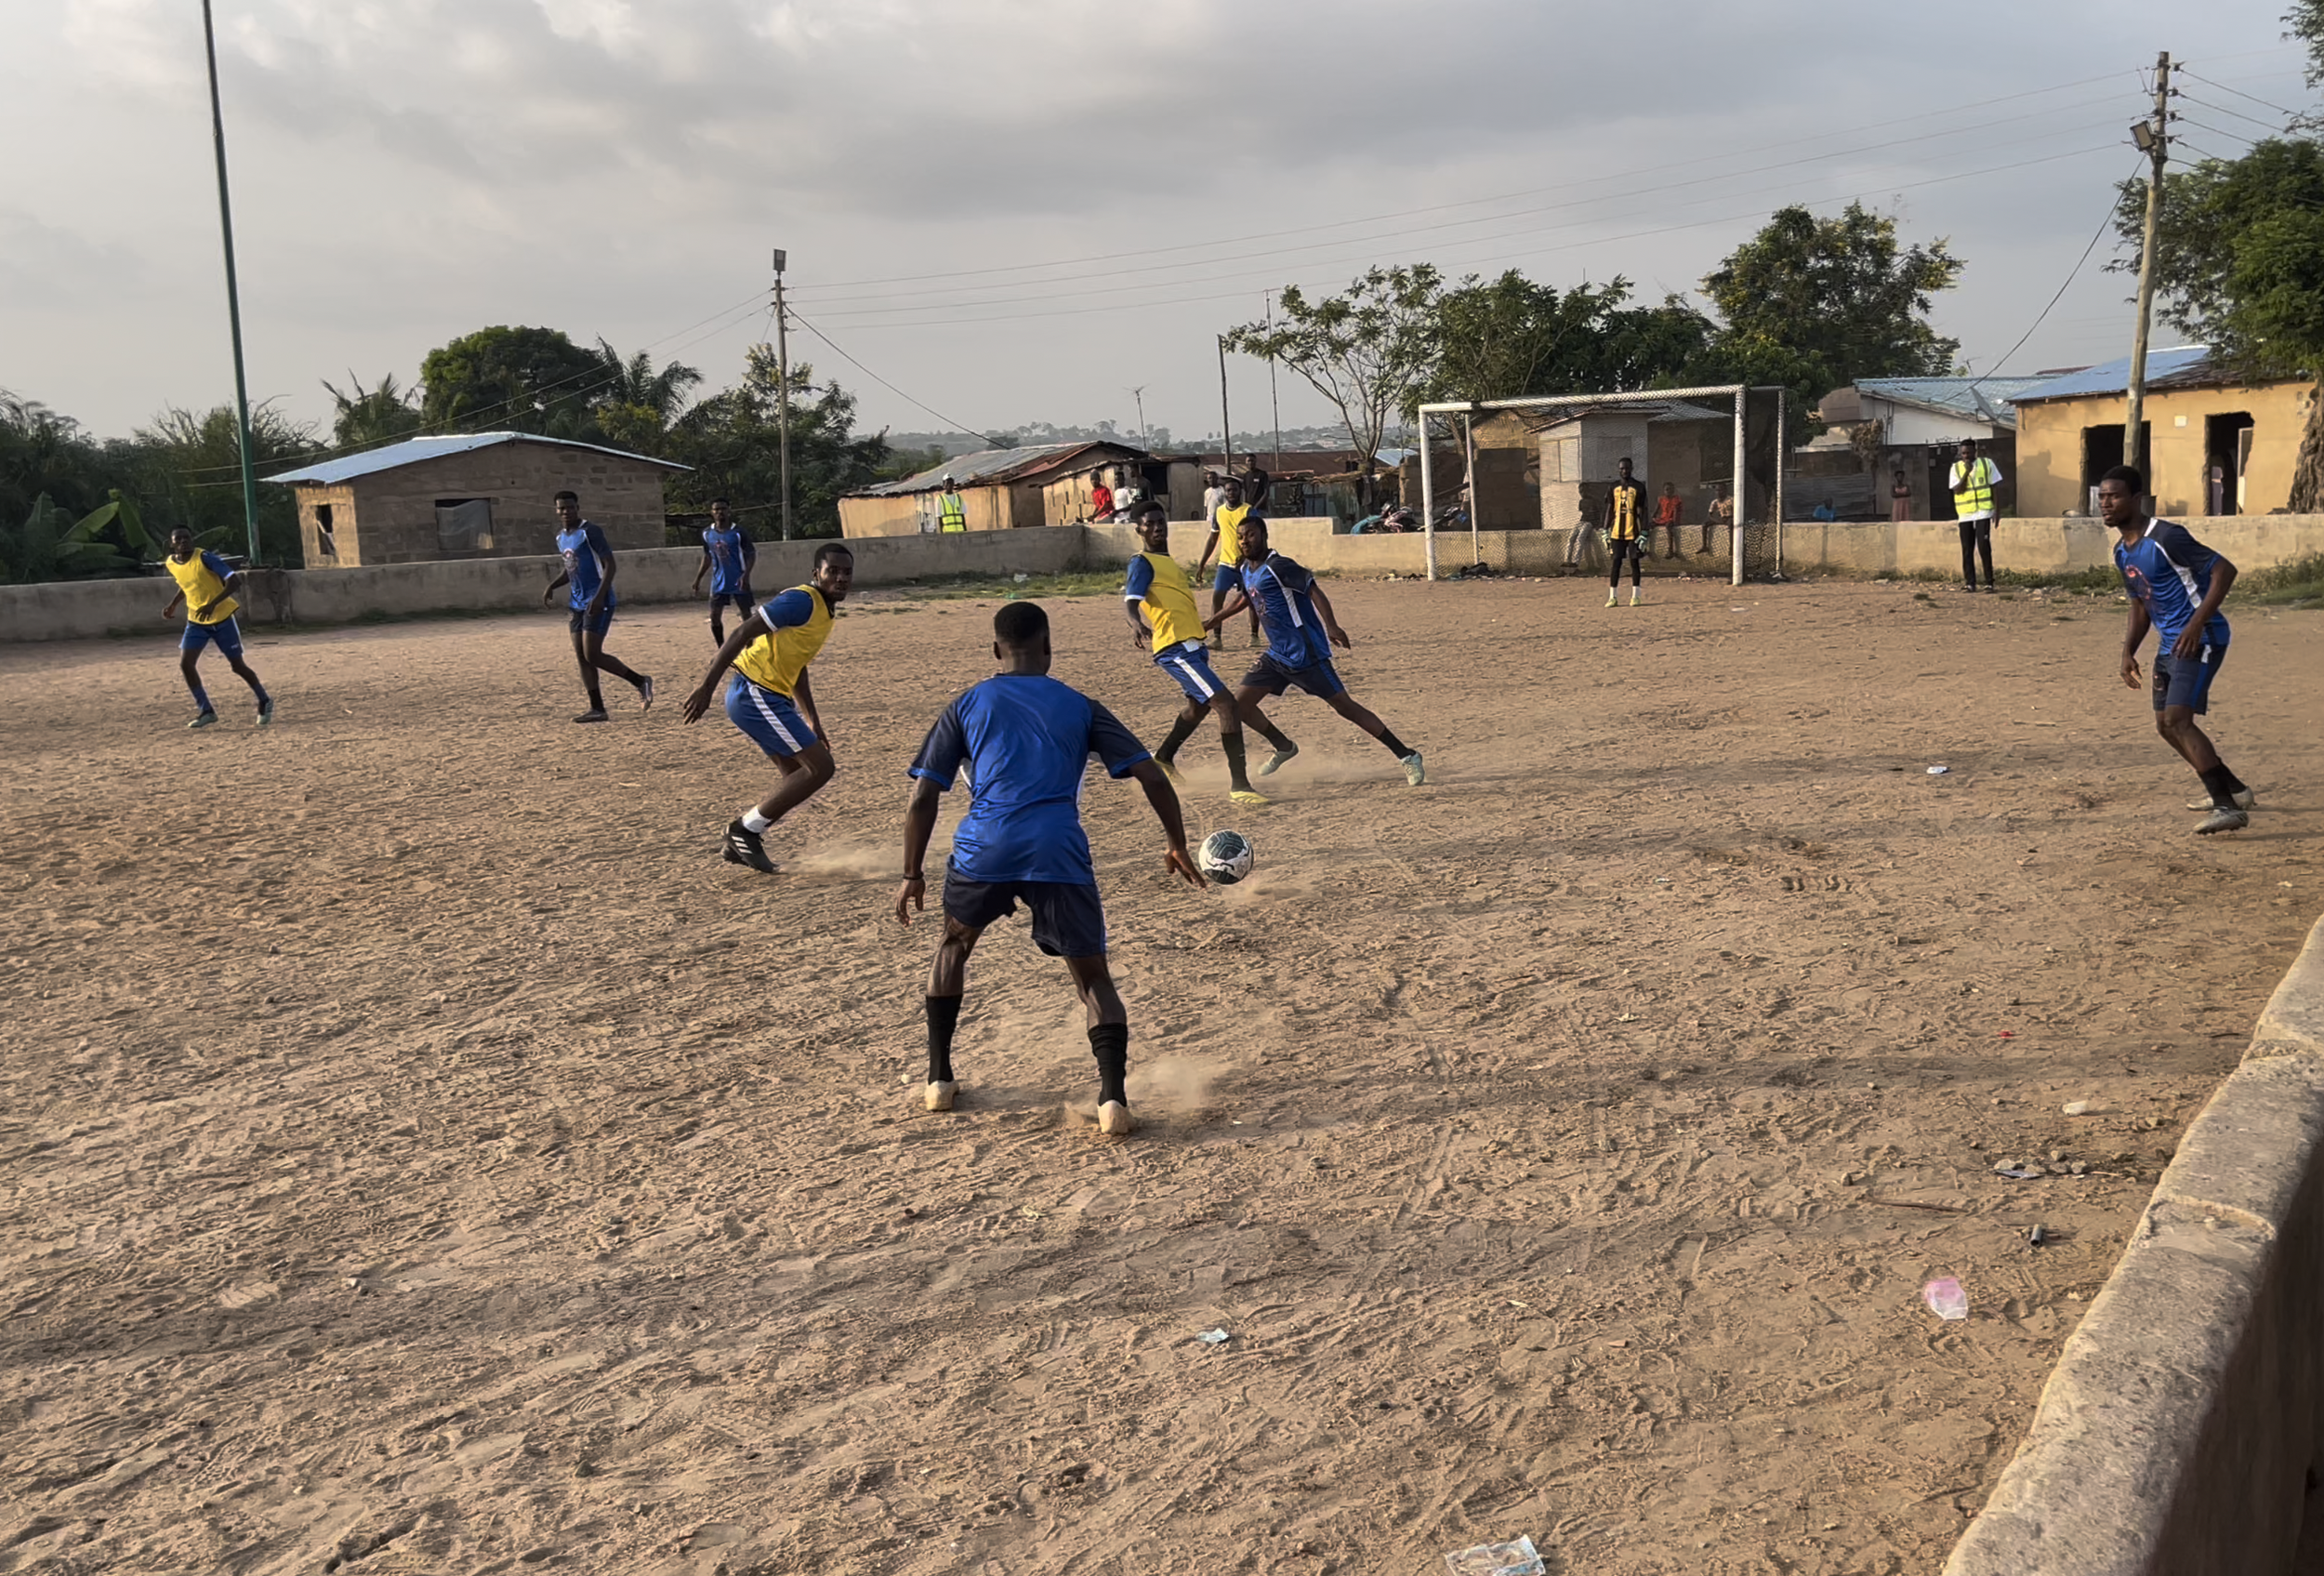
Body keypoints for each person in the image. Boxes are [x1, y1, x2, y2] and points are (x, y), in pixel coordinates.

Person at [895, 600, 1203, 1135]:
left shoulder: (967, 704)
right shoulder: (1080, 705)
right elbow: (1152, 775)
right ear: (1048, 649)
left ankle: (939, 1080)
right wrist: (1176, 842)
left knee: (953, 947)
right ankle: (1112, 1101)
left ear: (995, 651)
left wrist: (911, 872)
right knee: (1092, 980)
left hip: (982, 849)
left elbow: (924, 794)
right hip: (1056, 850)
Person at [1207, 516, 1425, 788]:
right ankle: (1283, 746)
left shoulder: (1280, 566)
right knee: (1238, 707)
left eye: (1250, 535)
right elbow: (1245, 599)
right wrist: (1211, 622)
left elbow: (1313, 591)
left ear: (1263, 535)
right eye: (1240, 537)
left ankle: (1408, 755)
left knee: (1346, 708)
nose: (1244, 541)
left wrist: (1331, 626)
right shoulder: (1246, 568)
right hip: (1277, 655)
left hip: (1306, 655)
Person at [679, 541, 856, 872]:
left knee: (796, 774)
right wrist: (706, 686)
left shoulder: (824, 610)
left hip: (769, 696)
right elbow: (743, 630)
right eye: (833, 571)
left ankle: (742, 841)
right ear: (816, 573)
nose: (841, 578)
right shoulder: (801, 600)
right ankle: (743, 831)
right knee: (821, 767)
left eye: (847, 572)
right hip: (754, 692)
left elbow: (797, 664)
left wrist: (812, 720)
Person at [2101, 465, 2252, 835]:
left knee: (2177, 721)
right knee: (2164, 727)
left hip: (2201, 638)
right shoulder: (2123, 551)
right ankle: (2234, 789)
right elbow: (2140, 605)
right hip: (2171, 643)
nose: (2105, 504)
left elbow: (2225, 571)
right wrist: (2127, 651)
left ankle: (2227, 808)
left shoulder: (2167, 537)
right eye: (2101, 497)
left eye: (2114, 496)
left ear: (2137, 499)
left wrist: (2196, 623)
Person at [1121, 500, 1268, 807]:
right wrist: (1136, 624)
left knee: (1197, 707)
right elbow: (1131, 602)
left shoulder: (1168, 562)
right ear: (1139, 530)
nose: (1157, 527)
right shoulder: (1141, 562)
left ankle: (1163, 758)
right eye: (1150, 524)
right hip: (1174, 649)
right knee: (1226, 704)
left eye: (1161, 521)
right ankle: (1240, 785)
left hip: (1193, 647)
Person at [542, 490, 653, 722]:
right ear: (556, 510)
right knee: (581, 656)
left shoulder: (589, 532)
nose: (566, 511)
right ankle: (597, 709)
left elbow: (610, 565)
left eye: (570, 507)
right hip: (577, 602)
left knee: (592, 654)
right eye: (561, 508)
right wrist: (553, 585)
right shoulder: (561, 537)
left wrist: (600, 596)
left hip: (597, 600)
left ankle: (640, 681)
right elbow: (571, 567)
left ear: (577, 507)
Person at [160, 526, 273, 729]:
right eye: (179, 539)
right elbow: (186, 584)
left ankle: (264, 700)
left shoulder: (205, 558)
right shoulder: (171, 563)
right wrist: (174, 604)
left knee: (237, 666)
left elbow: (234, 581)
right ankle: (206, 710)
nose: (184, 542)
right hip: (196, 621)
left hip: (222, 619)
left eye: (187, 537)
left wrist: (212, 603)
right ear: (172, 544)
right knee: (186, 664)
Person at [1195, 476, 1263, 650]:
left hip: (1246, 565)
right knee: (1217, 598)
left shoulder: (1248, 511)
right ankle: (1217, 638)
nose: (1232, 493)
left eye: (1235, 490)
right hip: (1226, 564)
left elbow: (1258, 537)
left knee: (1251, 600)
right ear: (1224, 493)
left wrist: (1248, 557)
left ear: (1240, 492)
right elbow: (1213, 538)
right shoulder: (1219, 512)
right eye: (1228, 490)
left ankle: (1254, 636)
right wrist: (1202, 563)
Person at [690, 498, 758, 646]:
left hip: (739, 579)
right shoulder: (707, 534)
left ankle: (750, 647)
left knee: (746, 614)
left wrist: (746, 575)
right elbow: (708, 556)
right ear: (712, 513)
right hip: (718, 581)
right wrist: (698, 579)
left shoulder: (738, 532)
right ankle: (721, 648)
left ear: (729, 510)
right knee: (714, 616)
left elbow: (751, 554)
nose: (720, 512)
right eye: (716, 509)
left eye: (723, 509)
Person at [1948, 438, 2003, 591]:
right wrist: (1966, 472)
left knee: (1983, 545)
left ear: (1975, 452)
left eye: (1968, 452)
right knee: (1967, 548)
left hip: (1984, 512)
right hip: (1965, 513)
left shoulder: (1987, 464)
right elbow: (1957, 489)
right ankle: (1970, 582)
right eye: (1963, 453)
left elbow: (1995, 487)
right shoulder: (1956, 468)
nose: (1965, 456)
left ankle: (1989, 582)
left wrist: (1997, 512)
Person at [1603, 457, 1648, 606]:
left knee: (1634, 562)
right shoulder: (1613, 487)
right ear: (1619, 470)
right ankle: (1613, 597)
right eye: (1622, 469)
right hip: (1616, 532)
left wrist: (1644, 531)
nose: (1624, 471)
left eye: (1627, 468)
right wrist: (1605, 529)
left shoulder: (1639, 487)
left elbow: (1643, 511)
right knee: (1616, 563)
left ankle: (1636, 596)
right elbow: (1610, 509)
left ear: (1631, 469)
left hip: (1633, 532)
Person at [1651, 481, 1684, 558]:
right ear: (1664, 490)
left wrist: (1675, 522)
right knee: (1647, 526)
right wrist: (1653, 518)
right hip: (1663, 519)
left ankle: (1670, 550)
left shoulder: (1676, 499)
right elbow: (1656, 510)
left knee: (1669, 527)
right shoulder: (1661, 499)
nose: (1669, 492)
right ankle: (1644, 548)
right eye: (1667, 490)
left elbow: (1676, 511)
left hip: (1671, 519)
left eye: (1671, 490)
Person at [1703, 484, 1734, 556]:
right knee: (1705, 524)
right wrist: (1717, 520)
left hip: (1730, 518)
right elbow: (1710, 515)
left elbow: (1736, 512)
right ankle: (1704, 545)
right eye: (1717, 490)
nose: (1719, 492)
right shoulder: (1715, 502)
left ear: (1725, 491)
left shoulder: (1731, 500)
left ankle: (1731, 547)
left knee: (1731, 524)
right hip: (1721, 518)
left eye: (1721, 490)